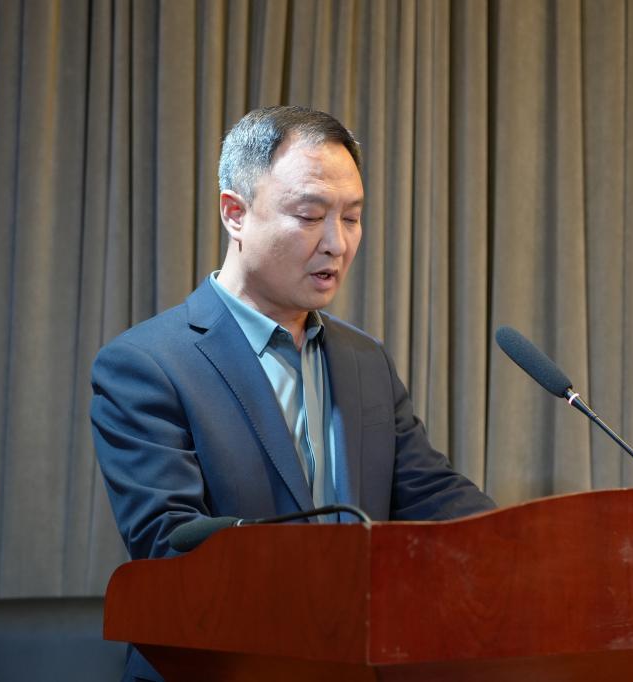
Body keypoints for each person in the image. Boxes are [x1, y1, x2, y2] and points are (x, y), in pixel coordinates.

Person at [91, 106, 495, 682]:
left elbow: (432, 497)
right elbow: (171, 546)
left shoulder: (366, 360)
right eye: (309, 216)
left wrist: (520, 551)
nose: (337, 243)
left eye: (352, 218)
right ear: (235, 213)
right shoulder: (147, 364)